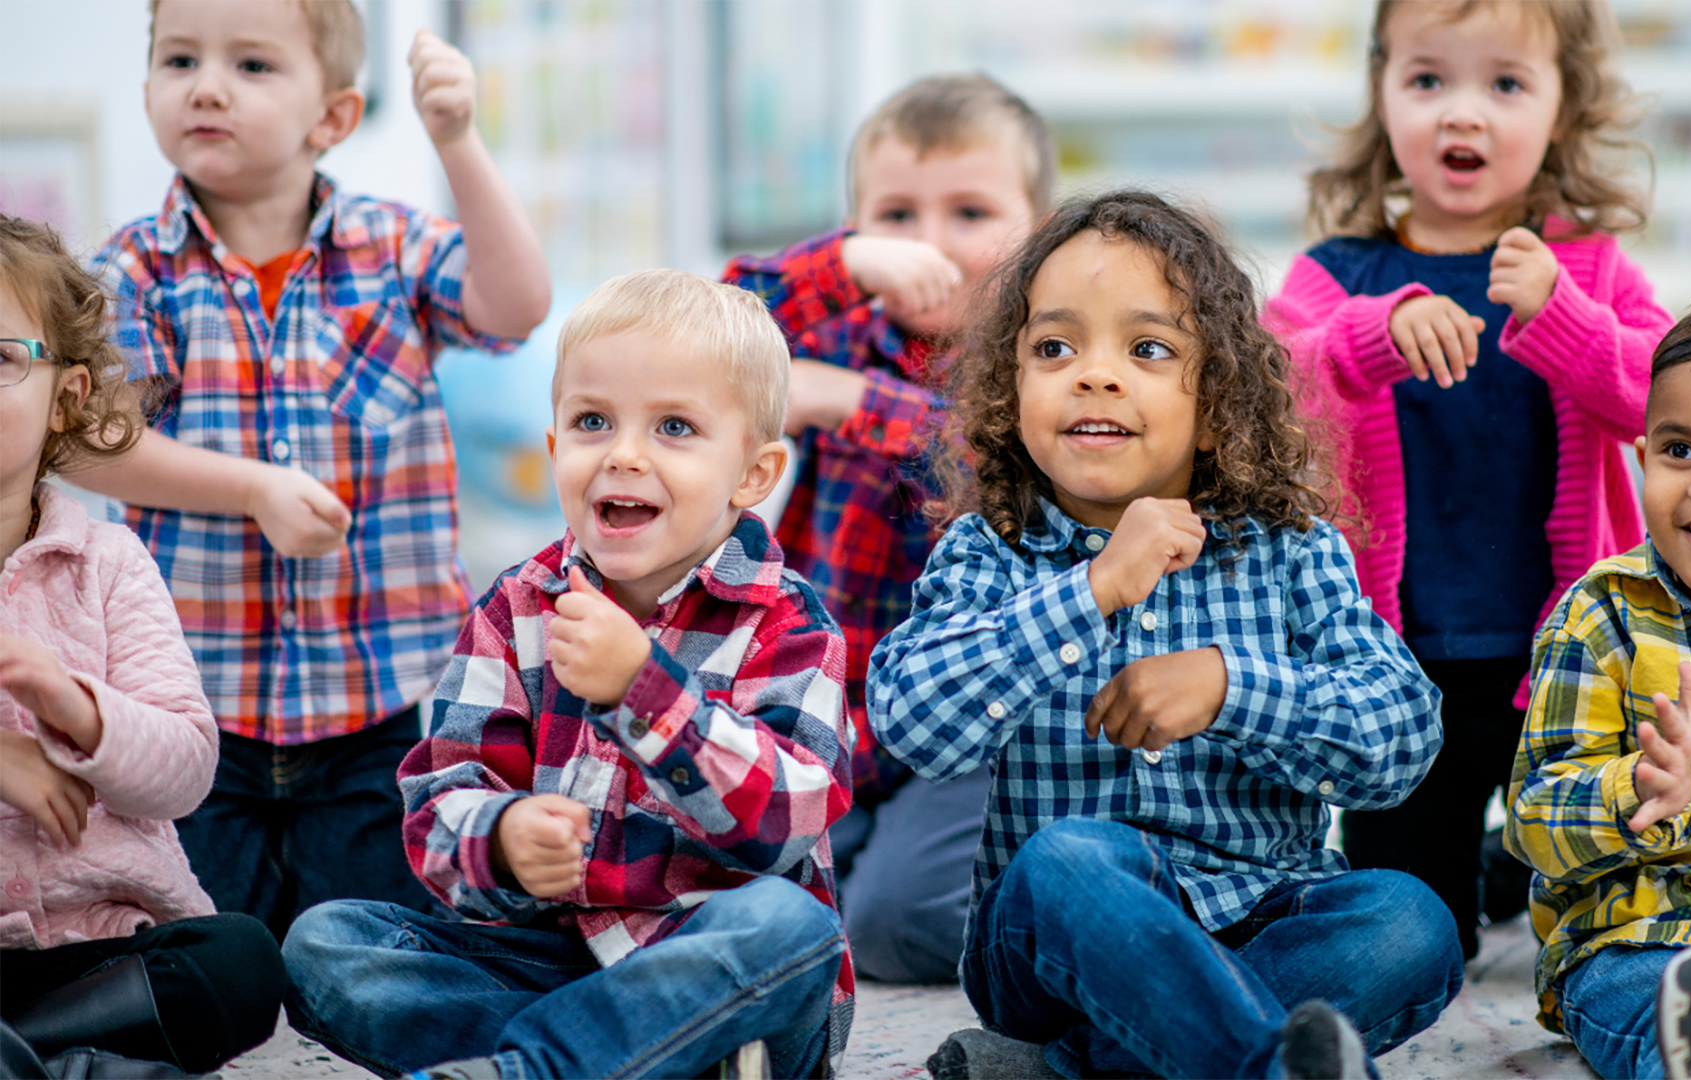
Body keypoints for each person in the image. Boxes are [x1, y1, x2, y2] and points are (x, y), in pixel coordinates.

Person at [868, 191, 1462, 1080]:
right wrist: (1093, 589)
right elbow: (912, 719)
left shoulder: (1290, 551)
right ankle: (1252, 1064)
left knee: (1410, 922)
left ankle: (1066, 1072)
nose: (1094, 375)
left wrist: (1232, 688)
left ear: (1218, 402)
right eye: (1053, 348)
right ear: (1010, 392)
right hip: (1051, 945)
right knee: (1073, 856)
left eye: (1147, 349)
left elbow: (1402, 740)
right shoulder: (991, 550)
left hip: (1258, 911)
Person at [280, 271, 855, 1080]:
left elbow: (788, 823)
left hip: (717, 980)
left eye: (674, 428)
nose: (623, 454)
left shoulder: (786, 621)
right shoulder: (517, 608)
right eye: (592, 421)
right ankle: (608, 1062)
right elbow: (439, 796)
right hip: (549, 963)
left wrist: (642, 692)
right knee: (328, 944)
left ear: (753, 476)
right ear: (555, 448)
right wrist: (504, 841)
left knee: (790, 927)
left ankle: (540, 1069)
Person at [74, 0, 550, 938]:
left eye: (251, 65)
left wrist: (456, 139)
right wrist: (252, 488)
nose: (206, 85)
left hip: (375, 703)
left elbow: (516, 306)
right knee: (199, 948)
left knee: (372, 946)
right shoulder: (129, 270)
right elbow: (100, 440)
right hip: (198, 711)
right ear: (147, 91)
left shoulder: (394, 246)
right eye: (180, 61)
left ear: (330, 117)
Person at [1264, 0, 1674, 961]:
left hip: (1569, 665)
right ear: (1380, 94)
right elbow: (1266, 394)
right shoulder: (1337, 273)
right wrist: (1364, 339)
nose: (1462, 113)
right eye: (1426, 80)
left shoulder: (1591, 267)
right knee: (1410, 929)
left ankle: (1514, 862)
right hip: (1399, 664)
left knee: (1600, 907)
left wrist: (1565, 317)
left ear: (1561, 110)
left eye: (1504, 83)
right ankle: (1479, 869)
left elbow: (1663, 399)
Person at [723, 72, 1051, 984]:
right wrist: (845, 266)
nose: (929, 244)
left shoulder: (1051, 353)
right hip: (837, 706)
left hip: (976, 727)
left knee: (897, 926)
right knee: (712, 882)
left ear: (1039, 228)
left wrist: (844, 402)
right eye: (896, 216)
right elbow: (710, 327)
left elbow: (999, 459)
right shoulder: (833, 333)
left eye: (970, 212)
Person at [0, 215, 283, 1078]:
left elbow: (189, 768)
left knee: (240, 963)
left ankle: (32, 1055)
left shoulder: (109, 564)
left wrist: (75, 708)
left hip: (99, 950)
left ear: (68, 397)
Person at [1506, 293, 1691, 1080]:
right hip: (1640, 938)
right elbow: (1532, 822)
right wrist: (1635, 789)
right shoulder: (1598, 615)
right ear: (1642, 457)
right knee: (1659, 1006)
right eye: (1681, 451)